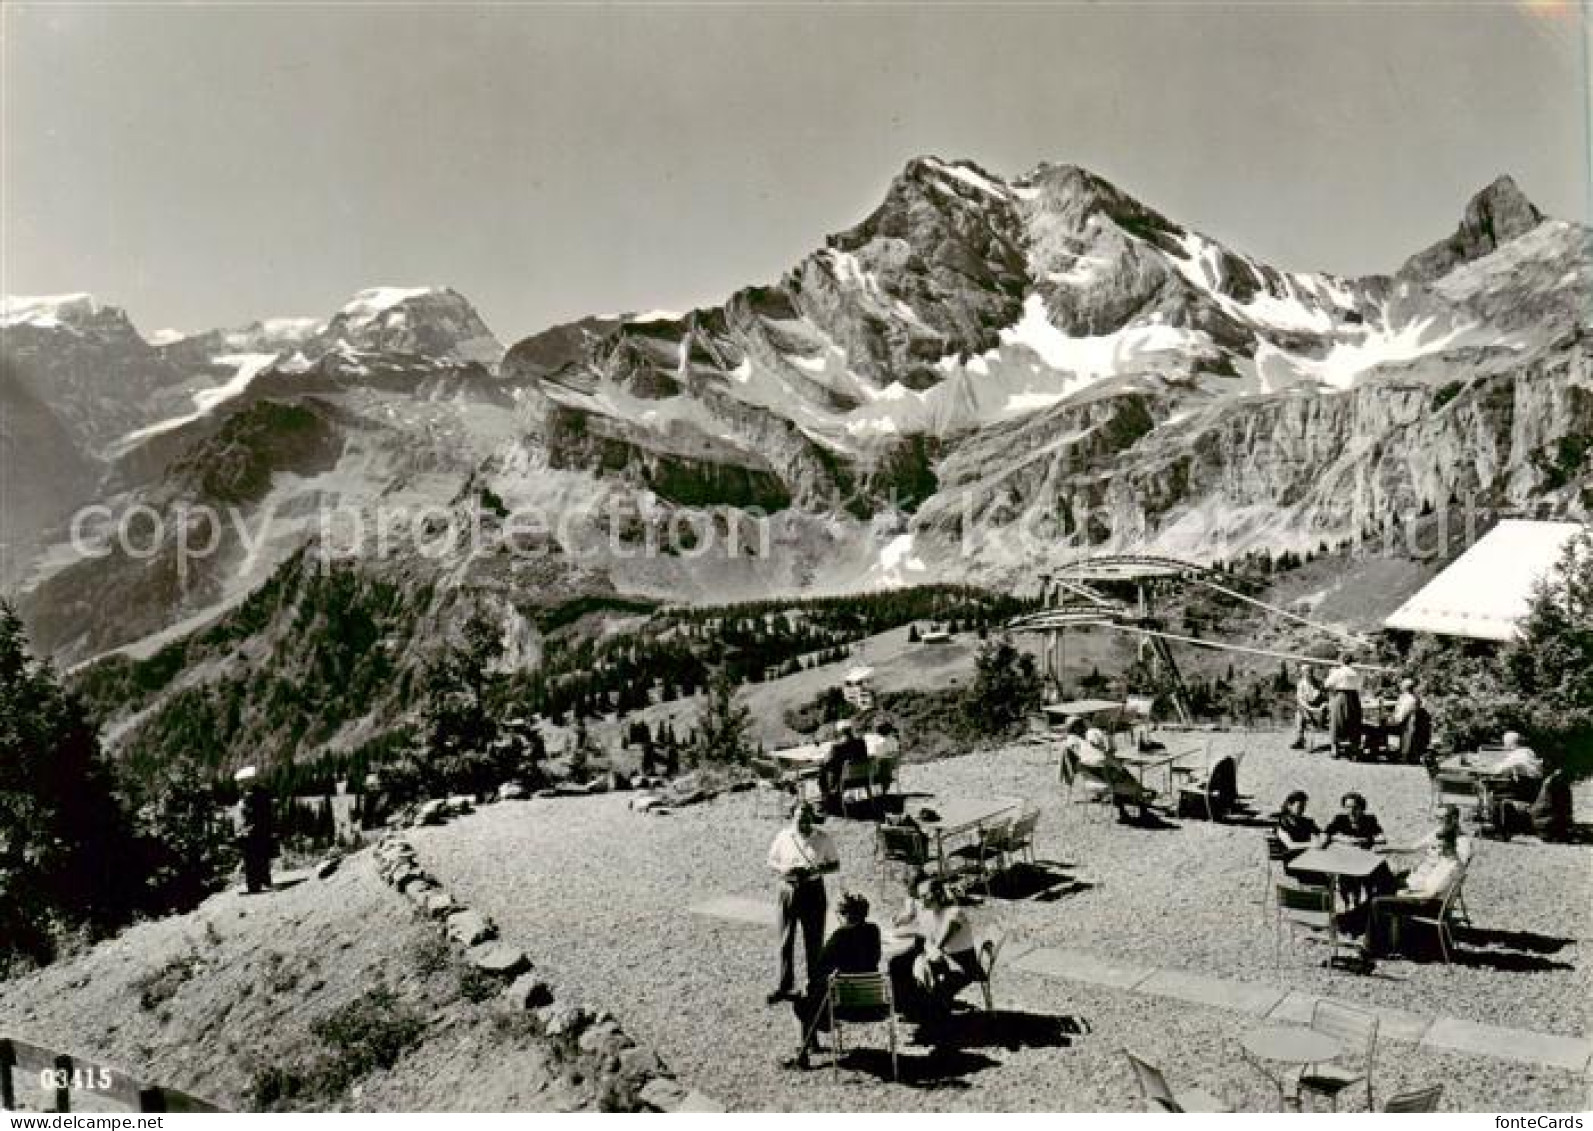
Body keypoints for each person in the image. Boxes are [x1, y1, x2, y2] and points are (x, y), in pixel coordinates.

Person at [783, 892, 882, 1070]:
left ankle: (803, 1055)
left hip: (843, 1005)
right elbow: (875, 958)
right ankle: (811, 1045)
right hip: (872, 1002)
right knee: (815, 991)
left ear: (843, 915)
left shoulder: (839, 937)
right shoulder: (873, 931)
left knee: (805, 995)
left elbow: (820, 967)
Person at [766, 802, 840, 1005]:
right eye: (800, 818)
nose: (804, 822)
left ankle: (815, 986)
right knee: (785, 939)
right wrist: (784, 870)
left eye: (807, 818)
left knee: (814, 941)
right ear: (793, 818)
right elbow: (771, 861)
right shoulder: (783, 836)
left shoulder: (823, 838)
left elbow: (835, 864)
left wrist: (817, 871)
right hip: (788, 889)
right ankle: (784, 985)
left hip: (813, 890)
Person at [910, 880, 982, 1016]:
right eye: (920, 897)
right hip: (943, 963)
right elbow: (928, 939)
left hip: (963, 965)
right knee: (912, 964)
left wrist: (928, 953)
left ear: (937, 893)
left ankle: (937, 1009)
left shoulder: (954, 913)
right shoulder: (930, 914)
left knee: (928, 970)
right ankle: (932, 1005)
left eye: (925, 895)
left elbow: (941, 943)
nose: (921, 900)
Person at [234, 766, 275, 894]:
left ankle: (254, 886)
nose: (240, 785)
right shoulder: (263, 793)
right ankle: (264, 880)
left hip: (251, 832)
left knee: (251, 860)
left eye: (242, 782)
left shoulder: (249, 797)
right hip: (262, 830)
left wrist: (242, 831)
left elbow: (249, 816)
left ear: (248, 781)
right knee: (262, 857)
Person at [818, 721, 869, 815]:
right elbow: (864, 757)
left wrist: (823, 763)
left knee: (823, 774)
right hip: (863, 779)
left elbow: (830, 763)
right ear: (851, 730)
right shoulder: (861, 743)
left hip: (846, 781)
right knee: (833, 771)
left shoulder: (837, 748)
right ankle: (832, 801)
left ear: (840, 732)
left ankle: (830, 803)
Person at [1323, 655, 1364, 757]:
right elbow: (1359, 686)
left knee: (1336, 721)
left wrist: (1333, 679)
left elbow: (1327, 684)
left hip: (1341, 696)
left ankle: (1334, 748)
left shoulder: (1338, 672)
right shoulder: (1355, 673)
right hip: (1354, 697)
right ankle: (1354, 747)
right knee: (1354, 721)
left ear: (1341, 661)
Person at [1273, 790, 1321, 864]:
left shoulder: (1307, 822)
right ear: (1289, 806)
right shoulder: (1282, 823)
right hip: (1293, 861)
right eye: (1299, 807)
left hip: (1310, 858)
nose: (1302, 810)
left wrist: (1323, 838)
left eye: (1303, 807)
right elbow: (1290, 845)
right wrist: (1311, 844)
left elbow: (1320, 835)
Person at [1289, 665, 1328, 750]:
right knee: (1300, 713)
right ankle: (1301, 739)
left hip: (1318, 709)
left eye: (1310, 671)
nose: (1308, 673)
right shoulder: (1301, 684)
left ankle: (1302, 739)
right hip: (1307, 708)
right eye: (1306, 672)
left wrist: (1322, 705)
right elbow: (1301, 700)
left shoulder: (1319, 683)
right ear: (1303, 673)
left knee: (1301, 713)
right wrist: (1311, 709)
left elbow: (1325, 698)